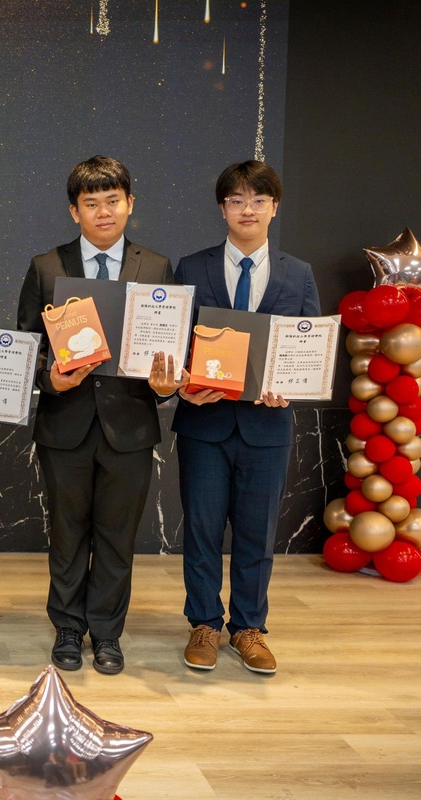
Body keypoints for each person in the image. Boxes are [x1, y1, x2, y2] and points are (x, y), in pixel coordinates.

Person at [16, 155, 180, 675]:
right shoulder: (47, 266)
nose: (103, 212)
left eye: (113, 201)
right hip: (65, 422)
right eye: (92, 203)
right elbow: (28, 346)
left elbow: (168, 347)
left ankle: (107, 633)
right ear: (74, 211)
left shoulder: (155, 267)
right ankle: (67, 627)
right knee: (67, 532)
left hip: (130, 425)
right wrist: (50, 378)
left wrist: (165, 384)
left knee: (117, 535)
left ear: (130, 204)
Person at [174, 161, 319, 675]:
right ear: (222, 209)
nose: (248, 209)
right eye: (237, 200)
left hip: (267, 426)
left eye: (258, 200)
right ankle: (205, 624)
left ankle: (250, 628)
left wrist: (292, 389)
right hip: (203, 424)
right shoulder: (191, 268)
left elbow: (309, 350)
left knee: (258, 533)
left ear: (274, 208)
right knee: (203, 530)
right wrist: (185, 382)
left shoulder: (298, 273)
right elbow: (173, 343)